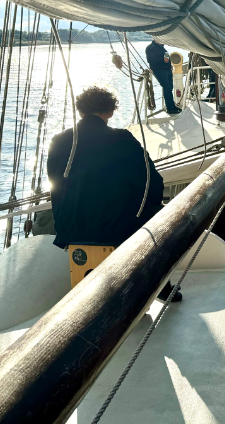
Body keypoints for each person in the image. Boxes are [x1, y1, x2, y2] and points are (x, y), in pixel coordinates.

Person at [47, 86, 180, 302]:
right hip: (115, 226)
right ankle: (160, 286)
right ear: (110, 111)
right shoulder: (122, 139)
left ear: (80, 111)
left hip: (71, 228)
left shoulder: (58, 140)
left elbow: (55, 184)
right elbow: (150, 181)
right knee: (161, 219)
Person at [145, 38, 180, 115]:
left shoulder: (162, 47)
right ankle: (170, 108)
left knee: (170, 87)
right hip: (159, 70)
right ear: (154, 38)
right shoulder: (150, 48)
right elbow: (150, 60)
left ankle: (173, 106)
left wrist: (169, 64)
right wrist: (163, 59)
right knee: (166, 87)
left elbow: (167, 57)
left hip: (167, 69)